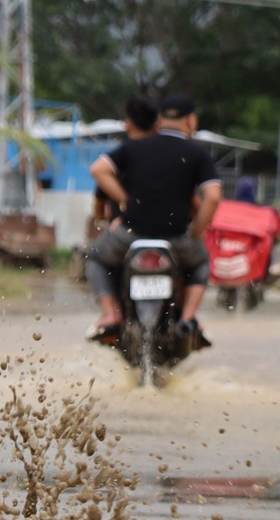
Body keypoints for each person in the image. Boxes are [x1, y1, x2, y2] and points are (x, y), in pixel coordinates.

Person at [85, 92, 222, 342]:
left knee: (96, 258)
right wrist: (197, 231)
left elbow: (98, 170)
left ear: (161, 120)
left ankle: (110, 315)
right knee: (200, 263)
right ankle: (187, 318)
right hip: (177, 239)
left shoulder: (134, 148)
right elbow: (212, 197)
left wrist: (125, 199)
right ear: (191, 121)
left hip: (130, 235)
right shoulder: (197, 154)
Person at [90, 95, 160, 238]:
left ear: (128, 124)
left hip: (125, 232)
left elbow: (99, 202)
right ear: (157, 125)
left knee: (95, 259)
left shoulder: (119, 159)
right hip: (167, 232)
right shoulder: (168, 155)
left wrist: (128, 205)